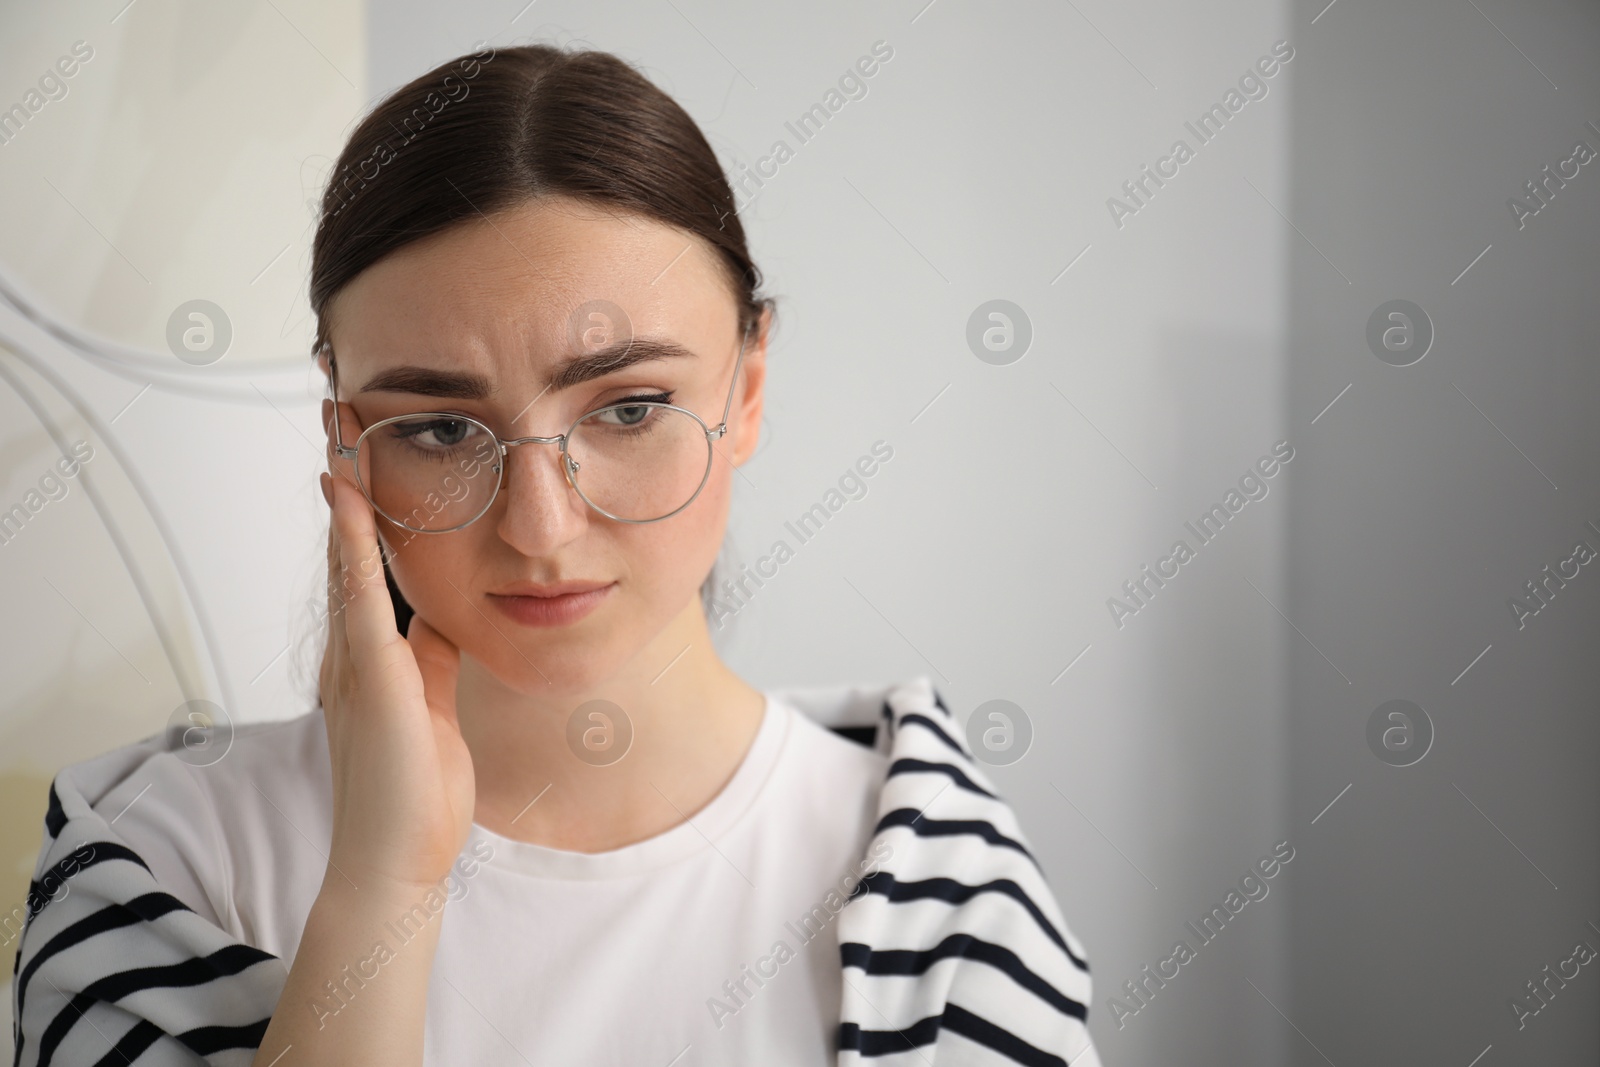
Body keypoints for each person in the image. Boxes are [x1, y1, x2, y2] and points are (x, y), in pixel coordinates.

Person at [10, 43, 1100, 1067]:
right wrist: (381, 889)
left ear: (749, 390)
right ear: (345, 438)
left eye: (628, 408)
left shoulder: (943, 898)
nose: (538, 525)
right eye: (439, 428)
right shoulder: (157, 863)